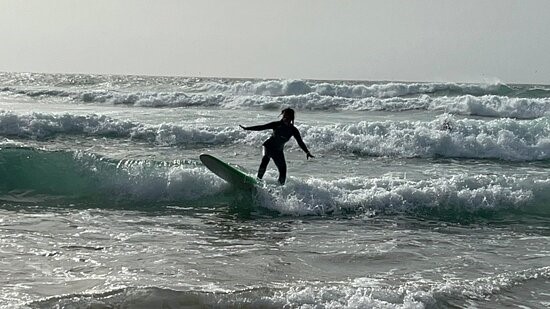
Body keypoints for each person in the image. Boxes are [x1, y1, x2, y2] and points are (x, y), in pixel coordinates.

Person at [239, 108, 314, 185]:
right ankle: (257, 181)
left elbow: (300, 142)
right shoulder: (276, 124)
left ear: (291, 118)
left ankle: (279, 188)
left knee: (283, 170)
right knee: (266, 158)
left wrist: (307, 152)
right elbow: (261, 127)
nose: (285, 119)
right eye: (284, 116)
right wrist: (247, 128)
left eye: (287, 117)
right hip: (268, 146)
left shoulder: (293, 130)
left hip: (278, 151)